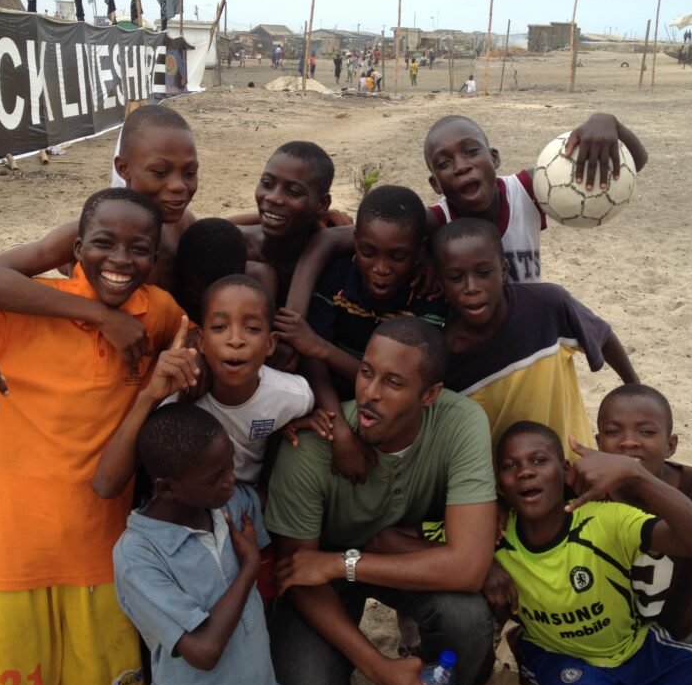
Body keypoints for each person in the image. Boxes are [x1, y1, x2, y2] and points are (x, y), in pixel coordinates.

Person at [0, 189, 185, 685]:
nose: (121, 260)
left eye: (138, 249)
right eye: (102, 244)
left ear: (156, 257)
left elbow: (194, 352)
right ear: (73, 248)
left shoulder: (159, 314)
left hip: (100, 550)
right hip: (12, 553)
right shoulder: (17, 307)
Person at [33, 404, 315, 685]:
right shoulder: (138, 554)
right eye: (214, 477)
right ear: (166, 486)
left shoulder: (233, 503)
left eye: (230, 467)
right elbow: (204, 651)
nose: (231, 481)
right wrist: (246, 568)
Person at [265, 316, 497, 685]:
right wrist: (382, 670)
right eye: (366, 372)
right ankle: (391, 678)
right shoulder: (310, 446)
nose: (370, 392)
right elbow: (298, 573)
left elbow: (469, 567)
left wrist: (340, 562)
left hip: (379, 560)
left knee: (468, 620)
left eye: (393, 382)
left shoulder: (460, 421)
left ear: (428, 395)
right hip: (324, 582)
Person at [492, 420, 692, 685]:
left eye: (539, 460)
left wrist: (637, 477)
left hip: (637, 649)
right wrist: (483, 564)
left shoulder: (605, 520)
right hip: (561, 657)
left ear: (567, 472)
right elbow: (419, 536)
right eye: (510, 466)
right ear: (499, 484)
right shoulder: (492, 532)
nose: (525, 471)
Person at [0, 105, 199, 369]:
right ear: (124, 169)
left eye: (190, 173)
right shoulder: (93, 231)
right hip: (94, 364)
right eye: (160, 172)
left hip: (158, 371)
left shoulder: (183, 225)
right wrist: (101, 316)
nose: (179, 185)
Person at [274, 185, 447, 478]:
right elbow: (309, 358)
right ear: (354, 242)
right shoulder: (337, 275)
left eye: (397, 257)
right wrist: (341, 431)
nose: (380, 268)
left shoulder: (427, 296)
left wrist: (321, 348)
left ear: (419, 252)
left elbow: (398, 384)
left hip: (392, 405)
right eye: (368, 252)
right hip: (331, 401)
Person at [94, 275, 316, 496]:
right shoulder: (180, 392)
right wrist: (151, 395)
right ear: (201, 341)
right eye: (220, 327)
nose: (236, 339)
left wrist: (300, 423)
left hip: (245, 498)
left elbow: (294, 415)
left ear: (270, 344)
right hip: (189, 503)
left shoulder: (293, 395)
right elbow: (106, 486)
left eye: (252, 328)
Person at [433, 219, 638, 451]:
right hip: (506, 483)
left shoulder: (548, 307)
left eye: (483, 272)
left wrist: (635, 388)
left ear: (504, 270)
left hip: (576, 464)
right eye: (455, 277)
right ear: (440, 284)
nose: (471, 286)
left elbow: (604, 337)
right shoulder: (444, 355)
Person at [596, 384, 692, 671]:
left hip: (680, 635)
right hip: (604, 643)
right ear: (598, 443)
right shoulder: (585, 491)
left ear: (671, 445)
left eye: (646, 432)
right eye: (613, 431)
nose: (629, 442)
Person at [424, 113, 648, 282]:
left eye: (471, 151)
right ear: (436, 184)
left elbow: (634, 164)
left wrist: (609, 122)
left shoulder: (528, 188)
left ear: (494, 158)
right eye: (444, 163)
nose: (461, 166)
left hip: (534, 332)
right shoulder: (435, 222)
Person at [234, 142, 335, 306]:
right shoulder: (237, 246)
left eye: (293, 192)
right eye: (267, 183)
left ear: (322, 204)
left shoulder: (332, 255)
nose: (273, 198)